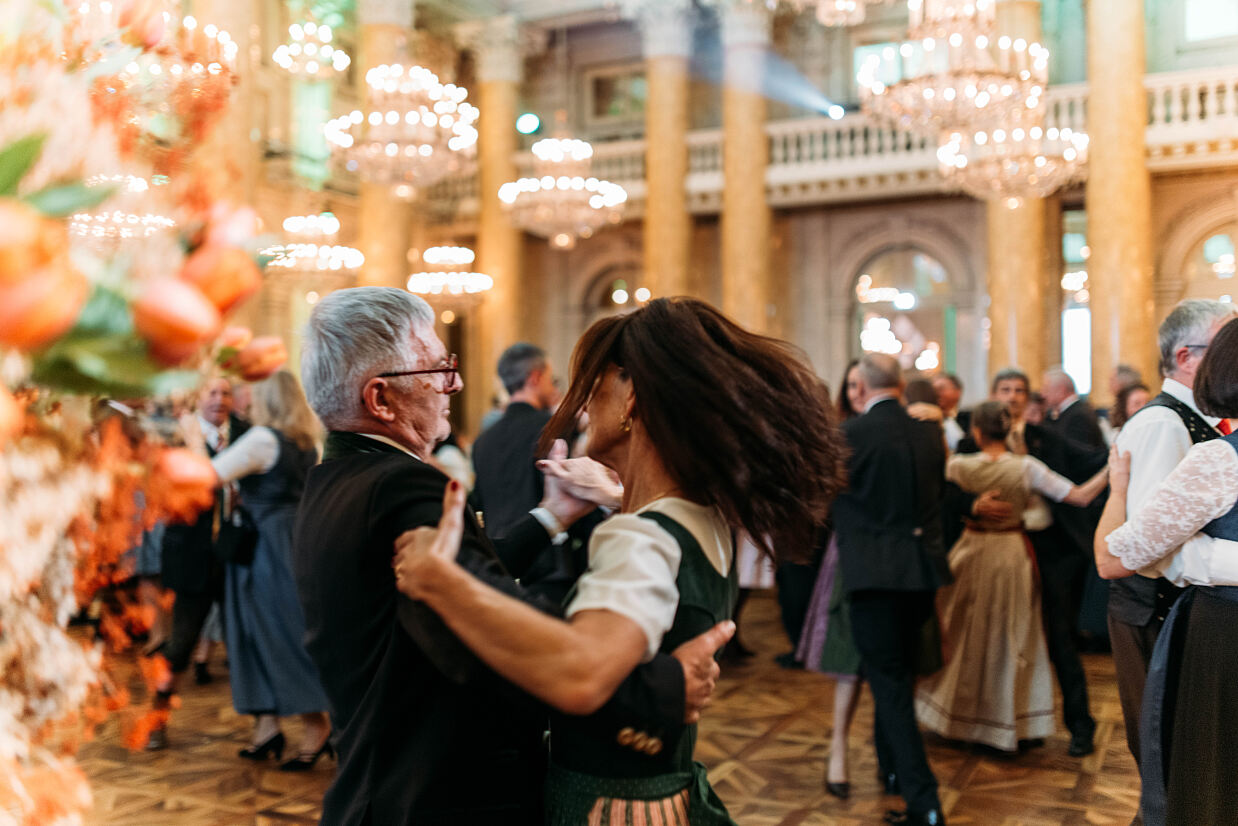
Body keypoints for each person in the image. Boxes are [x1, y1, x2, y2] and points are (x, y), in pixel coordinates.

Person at [394, 297, 848, 824]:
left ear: (633, 396)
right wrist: (614, 494)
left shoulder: (639, 538)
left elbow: (580, 675)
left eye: (595, 380)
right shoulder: (706, 515)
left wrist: (442, 580)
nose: (583, 400)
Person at [293, 287, 731, 825]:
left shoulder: (337, 479)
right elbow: (475, 635)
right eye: (437, 370)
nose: (454, 383)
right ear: (381, 399)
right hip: (440, 795)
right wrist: (659, 689)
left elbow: (464, 579)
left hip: (382, 781)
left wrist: (552, 515)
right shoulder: (403, 487)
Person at [1095, 316, 1238, 826]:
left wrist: (1117, 492)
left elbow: (1114, 556)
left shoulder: (1220, 457)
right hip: (1173, 617)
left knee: (1211, 778)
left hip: (1221, 632)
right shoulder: (1165, 425)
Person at [914, 402, 1109, 751]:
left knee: (965, 635)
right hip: (1011, 554)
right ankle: (1008, 720)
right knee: (1011, 637)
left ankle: (961, 716)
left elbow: (935, 484)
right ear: (1008, 430)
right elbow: (1080, 496)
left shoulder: (957, 465)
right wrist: (1113, 470)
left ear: (976, 431)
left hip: (971, 551)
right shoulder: (1026, 466)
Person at [831, 354, 949, 826]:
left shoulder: (848, 435)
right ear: (900, 385)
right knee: (898, 676)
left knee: (891, 686)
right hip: (920, 573)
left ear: (859, 386)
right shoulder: (929, 433)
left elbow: (825, 496)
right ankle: (893, 771)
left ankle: (925, 803)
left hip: (873, 576)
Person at [208, 371, 333, 769]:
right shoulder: (308, 442)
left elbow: (212, 475)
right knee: (263, 628)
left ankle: (316, 726)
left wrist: (192, 442)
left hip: (263, 544)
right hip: (293, 537)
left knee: (273, 631)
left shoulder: (263, 439)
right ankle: (267, 728)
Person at [982, 368, 1105, 756]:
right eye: (1005, 389)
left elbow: (1092, 462)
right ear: (993, 394)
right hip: (999, 549)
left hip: (1053, 549)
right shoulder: (975, 441)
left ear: (1028, 398)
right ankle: (1010, 725)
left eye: (1019, 390)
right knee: (1005, 638)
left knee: (1060, 638)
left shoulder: (1046, 437)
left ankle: (1081, 726)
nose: (1012, 396)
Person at [147, 377, 247, 750]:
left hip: (238, 553)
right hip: (191, 553)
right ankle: (156, 718)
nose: (219, 400)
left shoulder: (246, 434)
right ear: (199, 399)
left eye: (226, 393)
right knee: (181, 643)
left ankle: (267, 726)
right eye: (212, 393)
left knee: (251, 639)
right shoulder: (177, 437)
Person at [796, 359, 866, 799]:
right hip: (846, 550)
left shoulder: (899, 429)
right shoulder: (837, 435)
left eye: (863, 384)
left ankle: (890, 756)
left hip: (886, 554)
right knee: (846, 662)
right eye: (852, 384)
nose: (857, 391)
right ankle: (837, 748)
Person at [471, 342, 560, 539]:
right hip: (543, 547)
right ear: (535, 377)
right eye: (551, 379)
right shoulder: (552, 428)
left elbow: (480, 502)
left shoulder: (482, 440)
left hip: (497, 549)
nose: (553, 388)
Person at [1042, 367, 1105, 448]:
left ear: (1060, 390)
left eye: (1046, 389)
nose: (1043, 394)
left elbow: (1079, 452)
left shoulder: (1078, 416)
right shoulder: (1070, 412)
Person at [932, 373, 968, 452]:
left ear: (958, 391)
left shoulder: (969, 418)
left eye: (941, 389)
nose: (937, 394)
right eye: (933, 390)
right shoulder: (929, 419)